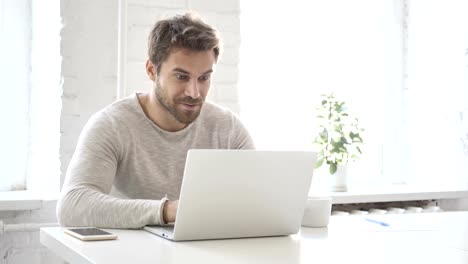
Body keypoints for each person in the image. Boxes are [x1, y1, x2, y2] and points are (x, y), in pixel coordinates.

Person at [56, 13, 254, 228]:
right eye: (181, 76)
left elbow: (260, 198)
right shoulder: (112, 124)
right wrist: (167, 210)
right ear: (152, 70)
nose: (195, 92)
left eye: (204, 78)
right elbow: (72, 206)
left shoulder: (228, 129)